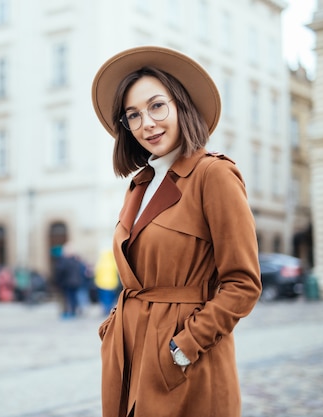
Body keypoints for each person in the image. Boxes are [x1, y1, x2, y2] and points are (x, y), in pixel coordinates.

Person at [91, 46, 262, 417]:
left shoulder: (213, 175)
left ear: (181, 104)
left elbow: (243, 284)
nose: (146, 123)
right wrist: (112, 329)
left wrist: (186, 345)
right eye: (132, 115)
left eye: (156, 106)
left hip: (187, 365)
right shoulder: (140, 184)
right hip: (129, 357)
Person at [94, 249, 120, 316]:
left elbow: (96, 272)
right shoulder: (113, 263)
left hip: (102, 284)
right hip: (112, 284)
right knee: (111, 297)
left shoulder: (100, 263)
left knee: (104, 298)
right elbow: (118, 272)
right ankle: (110, 310)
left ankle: (105, 309)